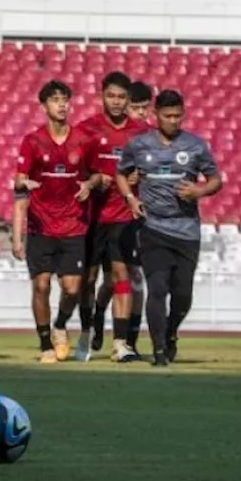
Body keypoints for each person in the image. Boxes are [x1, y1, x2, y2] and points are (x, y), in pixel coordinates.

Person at [116, 90, 221, 367]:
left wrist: (199, 190)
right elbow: (121, 174)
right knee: (157, 288)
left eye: (178, 115)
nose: (173, 120)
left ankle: (171, 331)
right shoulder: (139, 145)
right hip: (153, 228)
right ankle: (159, 350)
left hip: (187, 230)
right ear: (156, 115)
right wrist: (131, 198)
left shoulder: (195, 146)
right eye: (167, 116)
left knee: (183, 296)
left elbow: (215, 180)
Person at [12, 80, 103, 363]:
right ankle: (44, 344)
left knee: (73, 288)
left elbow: (101, 175)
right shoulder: (33, 141)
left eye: (65, 99)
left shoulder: (84, 141)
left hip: (74, 226)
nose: (61, 104)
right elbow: (18, 182)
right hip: (41, 227)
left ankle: (60, 325)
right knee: (40, 286)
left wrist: (90, 183)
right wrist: (23, 182)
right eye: (55, 100)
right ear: (43, 106)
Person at [77, 72, 146, 363]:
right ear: (101, 96)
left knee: (122, 275)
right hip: (91, 217)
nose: (116, 102)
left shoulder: (143, 133)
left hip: (123, 216)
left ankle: (120, 344)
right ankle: (86, 330)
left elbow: (153, 169)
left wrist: (141, 174)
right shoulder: (86, 130)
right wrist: (93, 179)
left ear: (128, 99)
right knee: (88, 279)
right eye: (111, 96)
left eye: (121, 97)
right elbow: (73, 171)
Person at [91, 78, 154, 355]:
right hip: (98, 217)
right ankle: (96, 314)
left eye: (144, 108)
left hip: (131, 218)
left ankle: (127, 341)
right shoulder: (94, 131)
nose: (140, 113)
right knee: (107, 281)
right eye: (136, 107)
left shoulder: (147, 136)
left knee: (131, 277)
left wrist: (143, 176)